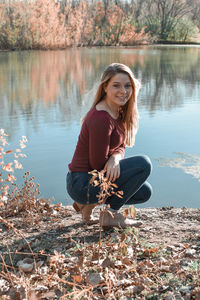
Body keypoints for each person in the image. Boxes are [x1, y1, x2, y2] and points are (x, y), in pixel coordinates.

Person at [67, 63, 152, 228]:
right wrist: (114, 160)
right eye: (116, 85)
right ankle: (110, 216)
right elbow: (98, 165)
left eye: (128, 86)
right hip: (81, 184)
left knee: (144, 192)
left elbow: (121, 146)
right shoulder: (101, 118)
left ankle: (87, 207)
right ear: (105, 87)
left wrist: (115, 157)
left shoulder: (117, 111)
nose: (123, 91)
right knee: (143, 164)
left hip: (91, 181)